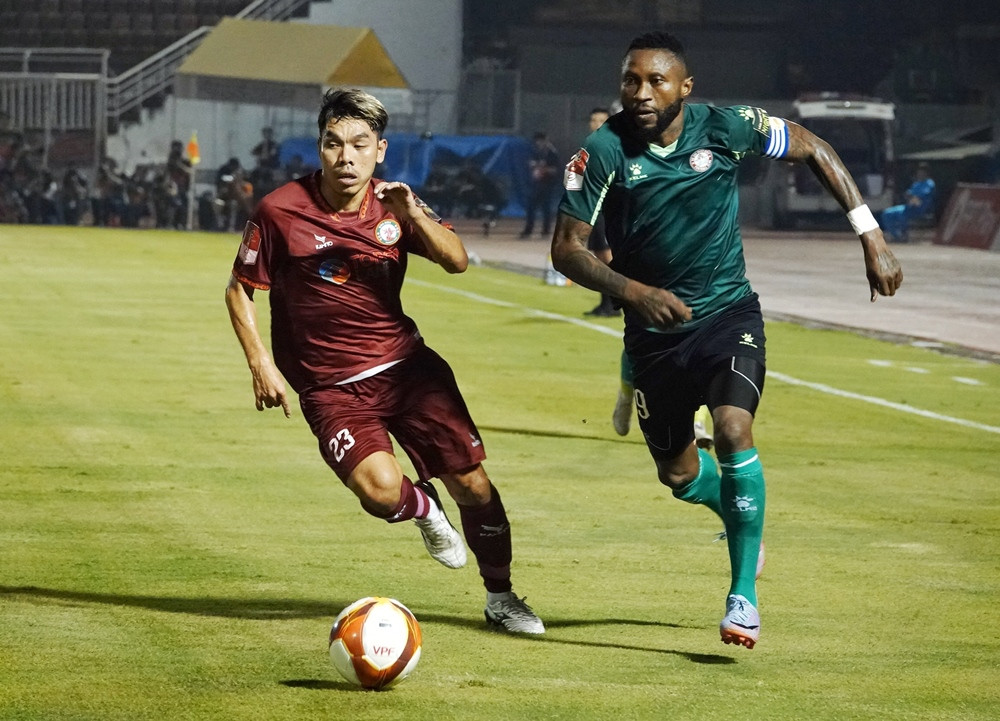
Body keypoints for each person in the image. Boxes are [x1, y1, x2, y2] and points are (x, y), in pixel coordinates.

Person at [551, 31, 903, 650]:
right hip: (655, 335)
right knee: (679, 474)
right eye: (631, 80)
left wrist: (869, 233)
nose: (641, 92)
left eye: (656, 80)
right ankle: (737, 517)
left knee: (735, 430)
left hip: (727, 315)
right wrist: (636, 293)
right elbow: (566, 249)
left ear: (685, 88)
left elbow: (814, 147)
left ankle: (742, 596)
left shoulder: (727, 126)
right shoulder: (602, 151)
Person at [225, 88, 544, 635]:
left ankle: (502, 597)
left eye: (359, 144)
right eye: (333, 143)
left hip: (408, 371)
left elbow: (457, 261)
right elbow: (239, 288)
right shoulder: (280, 210)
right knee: (377, 491)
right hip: (330, 387)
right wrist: (260, 363)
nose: (345, 157)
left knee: (473, 486)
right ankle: (425, 510)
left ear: (380, 150)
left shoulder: (395, 204)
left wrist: (413, 213)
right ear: (320, 148)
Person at [581, 107, 620, 318]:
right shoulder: (590, 146)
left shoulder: (614, 146)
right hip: (593, 208)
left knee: (608, 257)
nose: (596, 124)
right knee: (598, 256)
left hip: (608, 208)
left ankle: (614, 304)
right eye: (593, 120)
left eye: (601, 120)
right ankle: (604, 302)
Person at [880, 162, 936, 243]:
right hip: (908, 207)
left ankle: (904, 236)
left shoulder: (929, 183)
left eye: (923, 172)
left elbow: (922, 197)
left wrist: (913, 198)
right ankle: (896, 236)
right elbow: (908, 194)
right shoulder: (916, 184)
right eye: (919, 172)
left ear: (927, 173)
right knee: (886, 213)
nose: (920, 174)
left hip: (919, 209)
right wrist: (909, 196)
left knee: (902, 215)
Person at [519, 131, 561, 238]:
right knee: (531, 207)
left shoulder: (552, 154)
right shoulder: (536, 152)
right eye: (537, 142)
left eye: (540, 141)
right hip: (537, 184)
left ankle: (546, 231)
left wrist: (543, 170)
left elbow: (555, 170)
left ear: (545, 141)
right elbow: (531, 164)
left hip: (548, 184)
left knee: (546, 208)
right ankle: (528, 230)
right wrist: (534, 168)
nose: (538, 144)